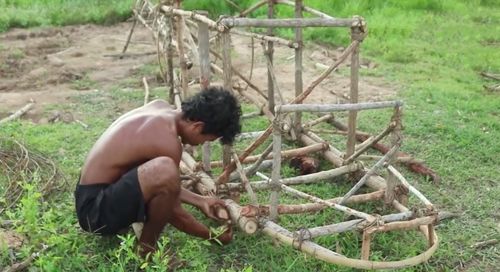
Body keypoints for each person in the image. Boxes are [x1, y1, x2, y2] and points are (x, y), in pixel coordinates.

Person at [74, 86, 242, 256]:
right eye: (208, 139)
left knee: (163, 172)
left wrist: (201, 201)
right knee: (165, 170)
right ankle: (146, 249)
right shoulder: (168, 142)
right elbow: (174, 211)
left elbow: (161, 185)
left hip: (89, 196)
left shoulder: (159, 107)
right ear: (198, 127)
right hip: (94, 214)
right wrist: (211, 235)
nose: (202, 143)